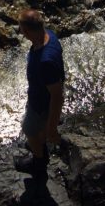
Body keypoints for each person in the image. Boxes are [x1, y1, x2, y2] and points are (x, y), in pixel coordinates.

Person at [14, 9, 65, 176]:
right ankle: (40, 143)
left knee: (29, 129)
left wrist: (52, 128)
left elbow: (57, 96)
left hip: (41, 103)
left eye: (21, 29)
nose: (20, 32)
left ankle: (38, 161)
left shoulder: (45, 61)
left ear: (27, 31)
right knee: (37, 130)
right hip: (38, 94)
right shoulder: (49, 35)